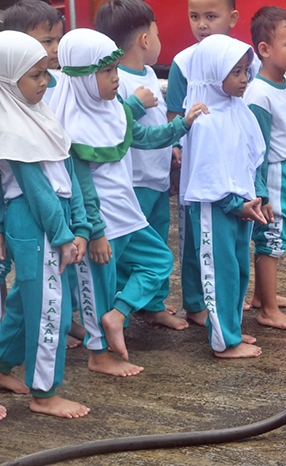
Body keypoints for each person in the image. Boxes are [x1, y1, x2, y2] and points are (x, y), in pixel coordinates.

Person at [49, 28, 206, 377]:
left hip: (127, 213)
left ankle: (117, 315)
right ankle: (98, 354)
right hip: (100, 224)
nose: (115, 79)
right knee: (97, 286)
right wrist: (95, 231)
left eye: (116, 70)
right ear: (83, 78)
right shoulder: (70, 125)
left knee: (159, 261)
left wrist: (182, 125)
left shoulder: (114, 108)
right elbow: (82, 188)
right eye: (106, 72)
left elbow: (143, 138)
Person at [0, 30, 92, 418]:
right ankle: (45, 393)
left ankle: (2, 365)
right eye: (35, 74)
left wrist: (80, 224)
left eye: (45, 72)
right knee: (50, 308)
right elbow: (37, 190)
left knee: (24, 304)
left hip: (50, 219)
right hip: (36, 221)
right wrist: (63, 234)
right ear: (7, 76)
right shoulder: (11, 125)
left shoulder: (35, 113)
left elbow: (67, 173)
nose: (46, 81)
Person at [166, 0, 260, 329]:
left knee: (226, 252)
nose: (202, 24)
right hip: (200, 167)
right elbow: (175, 111)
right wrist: (177, 147)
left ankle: (221, 312)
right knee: (196, 237)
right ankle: (196, 303)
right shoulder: (184, 61)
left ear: (232, 18)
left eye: (211, 16)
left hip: (229, 167)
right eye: (195, 17)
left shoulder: (238, 63)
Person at [95, 0, 188, 331]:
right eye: (158, 33)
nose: (159, 40)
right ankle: (117, 304)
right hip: (132, 183)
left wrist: (173, 146)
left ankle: (153, 304)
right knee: (128, 249)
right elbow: (117, 128)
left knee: (158, 239)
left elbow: (158, 122)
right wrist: (134, 104)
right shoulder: (114, 79)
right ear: (145, 40)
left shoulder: (148, 72)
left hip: (157, 178)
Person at [180, 34, 267, 358]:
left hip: (242, 206)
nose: (245, 79)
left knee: (238, 271)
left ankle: (231, 329)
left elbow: (251, 157)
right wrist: (236, 205)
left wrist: (255, 196)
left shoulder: (238, 110)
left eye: (246, 71)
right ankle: (223, 342)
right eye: (236, 72)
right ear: (214, 73)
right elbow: (208, 174)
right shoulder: (205, 120)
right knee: (220, 274)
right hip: (216, 210)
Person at [243, 6, 286, 331]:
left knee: (279, 235)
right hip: (276, 173)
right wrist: (262, 191)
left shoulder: (283, 84)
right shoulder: (259, 93)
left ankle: (261, 296)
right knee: (271, 237)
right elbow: (258, 149)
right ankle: (268, 310)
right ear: (265, 50)